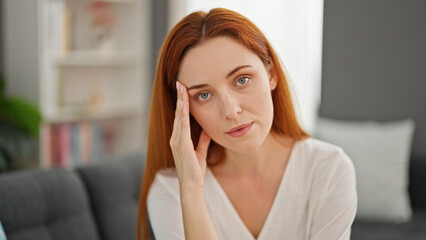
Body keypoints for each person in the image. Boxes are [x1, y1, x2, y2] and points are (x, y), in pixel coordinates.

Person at [137, 8, 357, 240]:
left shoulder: (328, 169)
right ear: (184, 108)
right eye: (203, 95)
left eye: (242, 80)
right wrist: (191, 194)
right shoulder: (172, 191)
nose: (231, 111)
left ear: (271, 74)